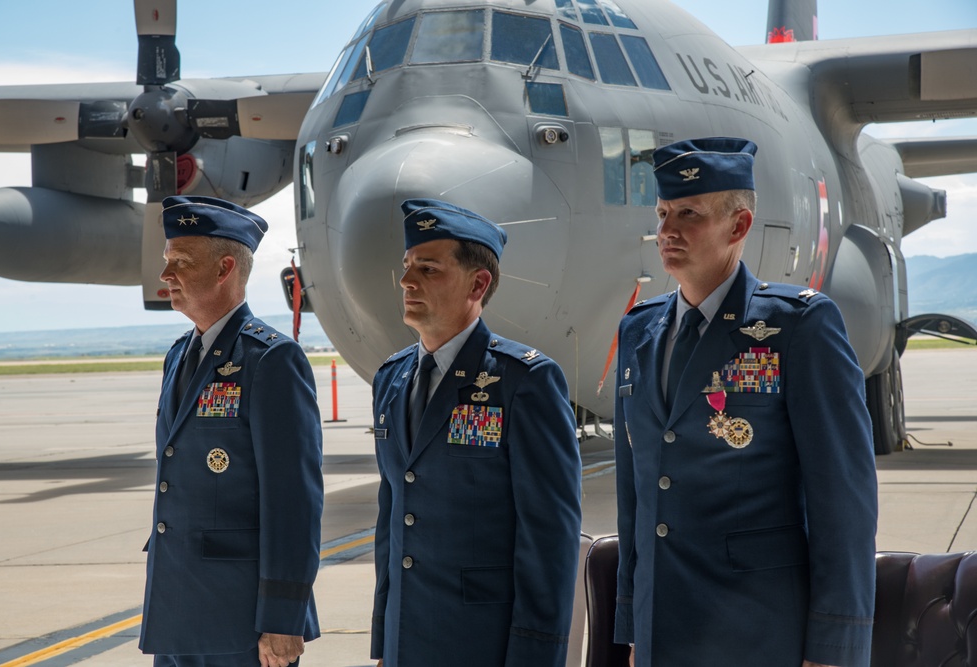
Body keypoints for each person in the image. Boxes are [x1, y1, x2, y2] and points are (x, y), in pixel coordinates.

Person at [613, 138, 878, 667]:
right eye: (663, 212)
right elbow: (636, 495)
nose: (667, 230)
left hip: (758, 633)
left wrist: (834, 647)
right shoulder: (638, 330)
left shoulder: (796, 327)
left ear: (738, 227)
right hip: (662, 628)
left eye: (688, 213)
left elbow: (843, 500)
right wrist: (632, 622)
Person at [370, 198, 583, 667]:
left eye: (428, 269)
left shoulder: (524, 381)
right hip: (407, 639)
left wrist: (535, 655)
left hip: (485, 643)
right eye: (407, 267)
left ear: (478, 283)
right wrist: (385, 640)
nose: (407, 281)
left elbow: (549, 536)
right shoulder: (391, 378)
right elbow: (392, 517)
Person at [138, 195, 324, 667]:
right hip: (177, 607)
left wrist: (284, 618)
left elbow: (294, 501)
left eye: (181, 262)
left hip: (243, 621)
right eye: (166, 261)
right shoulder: (180, 355)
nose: (166, 276)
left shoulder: (272, 360)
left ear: (224, 269)